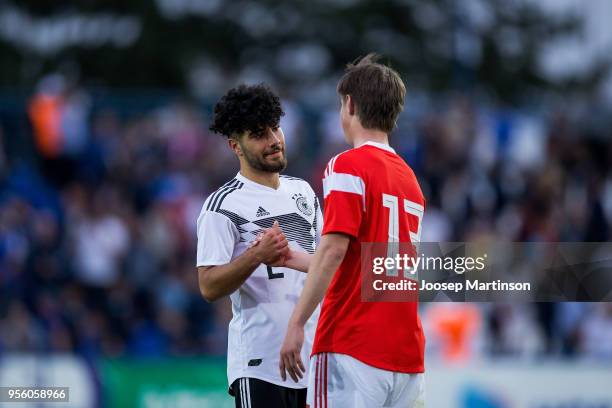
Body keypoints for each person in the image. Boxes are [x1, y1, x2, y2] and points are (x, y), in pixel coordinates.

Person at [279, 54, 426, 407]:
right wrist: (294, 258)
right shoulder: (410, 179)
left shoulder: (347, 165)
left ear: (350, 104)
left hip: (352, 342)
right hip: (405, 354)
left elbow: (334, 251)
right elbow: (368, 262)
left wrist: (297, 323)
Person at [196, 83, 322, 408]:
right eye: (258, 134)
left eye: (275, 128)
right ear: (235, 146)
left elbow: (326, 264)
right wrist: (256, 255)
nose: (274, 141)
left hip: (314, 362)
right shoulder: (222, 205)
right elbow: (208, 286)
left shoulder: (304, 192)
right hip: (259, 365)